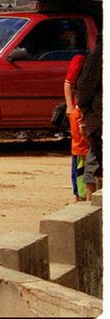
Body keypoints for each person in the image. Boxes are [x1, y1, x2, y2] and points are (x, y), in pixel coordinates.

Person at [75, 36, 102, 201]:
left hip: (100, 117)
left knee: (96, 163)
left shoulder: (101, 52)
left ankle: (93, 215)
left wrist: (82, 107)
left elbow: (85, 86)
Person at [65, 52, 89, 201]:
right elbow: (68, 82)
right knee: (81, 153)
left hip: (79, 111)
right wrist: (69, 106)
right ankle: (80, 192)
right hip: (78, 112)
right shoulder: (81, 59)